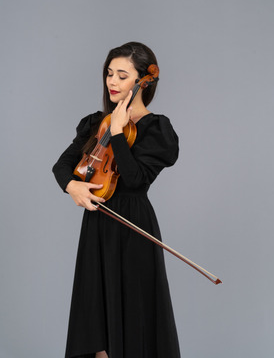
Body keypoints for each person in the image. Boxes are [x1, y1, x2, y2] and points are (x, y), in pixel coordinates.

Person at [52, 42, 181, 358]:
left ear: (141, 82)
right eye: (109, 73)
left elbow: (136, 180)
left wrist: (121, 133)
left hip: (133, 226)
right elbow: (62, 166)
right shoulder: (97, 123)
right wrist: (73, 187)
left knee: (132, 310)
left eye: (122, 76)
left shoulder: (156, 129)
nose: (112, 81)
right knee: (96, 317)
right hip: (97, 224)